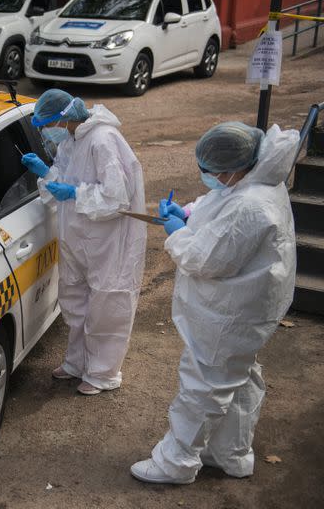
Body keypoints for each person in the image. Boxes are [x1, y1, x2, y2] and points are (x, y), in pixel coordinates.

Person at [130, 122, 299, 484]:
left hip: (230, 313)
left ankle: (175, 463)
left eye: (212, 170)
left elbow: (205, 259)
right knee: (238, 380)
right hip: (247, 309)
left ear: (234, 167)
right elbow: (218, 205)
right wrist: (188, 214)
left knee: (202, 387)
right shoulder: (256, 180)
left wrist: (177, 235)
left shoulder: (251, 205)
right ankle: (232, 454)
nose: (208, 176)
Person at [21, 89, 147, 395]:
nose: (44, 131)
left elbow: (116, 197)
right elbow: (62, 181)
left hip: (108, 241)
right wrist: (46, 173)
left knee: (107, 304)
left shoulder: (103, 140)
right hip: (77, 237)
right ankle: (77, 363)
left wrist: (76, 194)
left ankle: (103, 373)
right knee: (76, 302)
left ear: (62, 119)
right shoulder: (71, 139)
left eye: (46, 124)